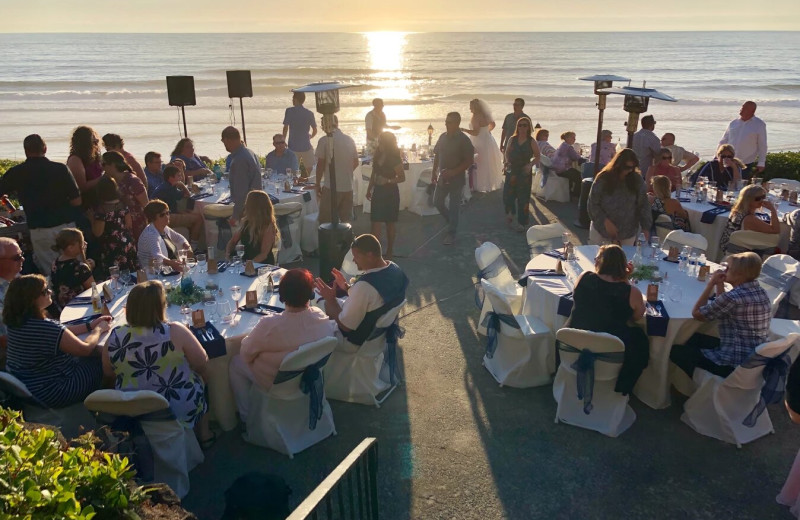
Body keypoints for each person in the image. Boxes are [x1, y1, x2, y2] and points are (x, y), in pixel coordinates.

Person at [104, 280, 214, 446]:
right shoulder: (174, 331)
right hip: (174, 408)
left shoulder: (115, 336)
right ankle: (204, 434)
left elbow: (109, 373)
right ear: (159, 307)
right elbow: (202, 361)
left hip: (133, 406)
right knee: (202, 376)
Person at [229, 268, 336, 424]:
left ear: (282, 295)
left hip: (278, 382)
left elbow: (246, 354)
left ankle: (247, 418)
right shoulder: (320, 317)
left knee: (235, 363)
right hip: (309, 376)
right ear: (310, 294)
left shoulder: (270, 325)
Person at [4, 274, 112, 408]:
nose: (50, 292)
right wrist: (98, 330)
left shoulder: (16, 323)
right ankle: (110, 405)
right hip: (56, 389)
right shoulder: (45, 328)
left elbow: (62, 332)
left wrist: (90, 325)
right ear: (31, 299)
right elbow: (85, 348)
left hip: (33, 386)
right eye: (44, 291)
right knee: (107, 358)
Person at [670, 252, 770, 378]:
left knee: (675, 349)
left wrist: (710, 284)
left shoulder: (733, 297)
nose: (724, 270)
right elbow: (723, 304)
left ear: (739, 274)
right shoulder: (761, 292)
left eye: (728, 268)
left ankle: (696, 387)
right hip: (753, 359)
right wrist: (719, 284)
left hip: (732, 364)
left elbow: (697, 314)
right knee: (689, 337)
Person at [569, 245, 649, 395]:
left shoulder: (584, 278)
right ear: (623, 266)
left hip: (575, 340)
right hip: (610, 348)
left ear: (600, 262)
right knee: (639, 337)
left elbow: (578, 297)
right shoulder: (631, 292)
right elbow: (637, 316)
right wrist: (625, 279)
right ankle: (623, 386)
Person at [0, 134, 81, 274]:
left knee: (51, 273)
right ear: (45, 148)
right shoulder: (60, 169)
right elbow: (77, 201)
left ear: (25, 151)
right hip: (66, 226)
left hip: (40, 230)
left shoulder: (18, 172)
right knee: (76, 270)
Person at [314, 234, 408, 343]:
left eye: (356, 256)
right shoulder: (395, 269)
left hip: (355, 340)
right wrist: (346, 286)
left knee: (318, 308)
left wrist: (331, 300)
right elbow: (373, 297)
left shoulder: (365, 286)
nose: (354, 260)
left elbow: (346, 326)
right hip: (376, 334)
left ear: (369, 255)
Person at [588, 148, 651, 245]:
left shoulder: (637, 180)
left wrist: (646, 228)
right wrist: (605, 221)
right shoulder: (603, 178)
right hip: (601, 231)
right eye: (626, 167)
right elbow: (592, 204)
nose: (629, 170)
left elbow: (644, 205)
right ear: (617, 164)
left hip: (627, 233)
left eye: (632, 168)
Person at [432, 112, 474, 245]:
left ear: (457, 124)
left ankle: (451, 233)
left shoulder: (464, 140)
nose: (446, 124)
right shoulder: (442, 137)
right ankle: (450, 221)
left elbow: (469, 161)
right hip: (442, 177)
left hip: (457, 178)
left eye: (449, 122)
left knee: (454, 205)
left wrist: (453, 172)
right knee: (437, 201)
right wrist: (434, 171)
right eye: (446, 121)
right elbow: (437, 155)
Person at [366, 131, 406, 258]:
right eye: (379, 140)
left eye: (381, 140)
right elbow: (374, 173)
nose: (379, 143)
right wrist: (369, 188)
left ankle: (389, 251)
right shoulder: (378, 154)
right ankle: (374, 252)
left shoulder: (394, 157)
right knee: (375, 222)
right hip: (378, 191)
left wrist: (388, 180)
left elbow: (402, 177)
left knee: (390, 223)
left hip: (390, 192)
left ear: (387, 143)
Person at [91, 176, 139, 278]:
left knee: (115, 279)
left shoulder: (102, 210)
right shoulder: (123, 205)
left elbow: (98, 232)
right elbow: (129, 224)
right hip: (127, 243)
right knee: (131, 275)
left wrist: (91, 219)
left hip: (112, 247)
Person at [315, 115, 359, 224]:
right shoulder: (349, 140)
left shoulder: (324, 140)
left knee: (325, 221)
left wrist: (317, 184)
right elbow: (356, 162)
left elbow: (320, 164)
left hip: (331, 187)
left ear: (326, 126)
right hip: (348, 186)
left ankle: (329, 241)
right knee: (346, 221)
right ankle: (346, 241)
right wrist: (345, 172)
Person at [719, 184, 779, 256]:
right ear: (748, 200)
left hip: (728, 246)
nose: (761, 200)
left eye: (763, 197)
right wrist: (773, 210)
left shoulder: (737, 210)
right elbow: (775, 230)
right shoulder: (749, 219)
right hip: (738, 251)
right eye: (757, 199)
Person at [503, 117, 540, 231]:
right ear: (517, 127)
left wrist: (530, 165)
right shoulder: (512, 139)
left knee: (523, 198)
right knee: (508, 195)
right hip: (512, 169)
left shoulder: (531, 141)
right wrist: (506, 162)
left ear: (529, 127)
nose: (522, 127)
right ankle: (511, 213)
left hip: (524, 171)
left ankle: (522, 223)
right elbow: (507, 152)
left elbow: (538, 156)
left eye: (525, 125)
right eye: (520, 125)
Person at [152, 165, 205, 246]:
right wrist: (183, 185)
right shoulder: (169, 189)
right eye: (178, 175)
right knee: (199, 218)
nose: (180, 178)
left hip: (164, 214)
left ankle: (189, 242)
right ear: (171, 178)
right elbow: (187, 195)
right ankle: (194, 247)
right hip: (164, 217)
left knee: (190, 213)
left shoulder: (166, 186)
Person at [102, 151, 148, 240]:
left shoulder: (133, 181)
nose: (102, 168)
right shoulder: (109, 182)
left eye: (103, 164)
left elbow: (146, 205)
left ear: (113, 165)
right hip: (118, 227)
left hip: (136, 225)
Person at [221, 126, 262, 225]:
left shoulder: (239, 160)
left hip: (247, 210)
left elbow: (241, 191)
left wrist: (235, 216)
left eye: (223, 141)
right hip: (255, 204)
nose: (224, 144)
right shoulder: (249, 152)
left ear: (227, 140)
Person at [225, 190, 279, 264]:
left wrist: (249, 265)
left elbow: (264, 254)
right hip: (246, 262)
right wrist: (228, 254)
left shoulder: (268, 225)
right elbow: (233, 241)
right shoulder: (246, 222)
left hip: (261, 265)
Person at [461, 98, 502, 193]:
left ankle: (478, 184)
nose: (469, 109)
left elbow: (475, 133)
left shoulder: (475, 117)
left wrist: (464, 130)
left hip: (479, 141)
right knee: (488, 162)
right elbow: (493, 124)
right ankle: (489, 183)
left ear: (475, 107)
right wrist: (486, 131)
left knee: (479, 162)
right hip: (488, 139)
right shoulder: (486, 115)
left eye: (471, 107)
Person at [137, 199, 190, 272]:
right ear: (153, 218)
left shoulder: (164, 227)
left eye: (167, 213)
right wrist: (172, 263)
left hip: (166, 270)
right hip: (153, 273)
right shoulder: (150, 234)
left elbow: (179, 237)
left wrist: (186, 245)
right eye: (162, 215)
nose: (167, 216)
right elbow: (157, 255)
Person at [49, 228, 95, 311]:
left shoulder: (55, 263)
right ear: (70, 248)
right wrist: (84, 256)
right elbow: (93, 289)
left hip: (63, 307)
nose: (85, 244)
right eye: (81, 243)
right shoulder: (80, 267)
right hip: (81, 307)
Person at [719, 100, 767, 176]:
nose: (741, 109)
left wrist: (761, 162)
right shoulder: (734, 122)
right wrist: (717, 156)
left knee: (739, 184)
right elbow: (724, 140)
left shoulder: (759, 124)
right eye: (742, 107)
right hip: (729, 159)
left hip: (745, 162)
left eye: (745, 108)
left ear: (752, 111)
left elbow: (762, 144)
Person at [0, 238, 25, 369]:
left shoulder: (16, 279)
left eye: (22, 254)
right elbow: (7, 341)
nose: (23, 259)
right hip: (18, 363)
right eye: (17, 257)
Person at [66, 126, 104, 204]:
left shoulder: (95, 157)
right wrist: (104, 178)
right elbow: (81, 187)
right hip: (86, 202)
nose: (96, 141)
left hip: (98, 198)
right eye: (93, 139)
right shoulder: (75, 160)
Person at [282, 91, 317, 172]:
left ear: (296, 99)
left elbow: (285, 128)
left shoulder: (289, 111)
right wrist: (310, 137)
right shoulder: (309, 113)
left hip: (293, 146)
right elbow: (315, 130)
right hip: (306, 145)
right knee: (310, 169)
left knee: (293, 170)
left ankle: (295, 183)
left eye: (293, 98)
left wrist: (283, 140)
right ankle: (307, 181)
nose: (292, 100)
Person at [551, 131, 585, 198]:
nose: (574, 139)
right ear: (567, 138)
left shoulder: (562, 145)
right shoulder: (569, 147)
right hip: (562, 169)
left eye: (574, 138)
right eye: (573, 138)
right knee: (579, 176)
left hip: (556, 168)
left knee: (573, 172)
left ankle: (569, 191)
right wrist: (580, 155)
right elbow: (576, 157)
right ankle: (576, 194)